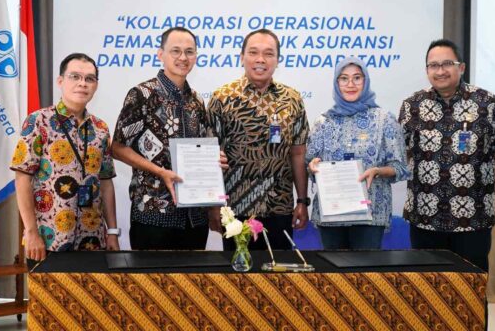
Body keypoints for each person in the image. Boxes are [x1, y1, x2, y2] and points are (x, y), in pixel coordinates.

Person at [112, 26, 226, 250]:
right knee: (152, 284)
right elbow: (117, 147)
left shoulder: (196, 101)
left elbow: (204, 148)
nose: (183, 57)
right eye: (176, 51)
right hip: (153, 214)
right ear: (160, 54)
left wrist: (214, 159)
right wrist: (160, 172)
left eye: (189, 52)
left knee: (191, 285)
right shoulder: (142, 95)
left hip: (194, 218)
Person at [398, 39, 495, 271]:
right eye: (433, 65)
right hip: (424, 217)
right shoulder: (411, 105)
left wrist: (467, 177)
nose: (440, 71)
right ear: (427, 70)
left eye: (447, 63)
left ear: (461, 67)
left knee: (472, 290)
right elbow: (402, 153)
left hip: (473, 218)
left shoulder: (489, 104)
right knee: (429, 290)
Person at [207, 28, 310, 250]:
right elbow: (210, 157)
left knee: (279, 279)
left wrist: (302, 201)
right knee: (237, 279)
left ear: (278, 59)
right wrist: (214, 206)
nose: (260, 59)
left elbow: (298, 153)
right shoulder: (222, 98)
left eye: (268, 53)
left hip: (280, 208)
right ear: (242, 57)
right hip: (235, 211)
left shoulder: (293, 99)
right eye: (253, 52)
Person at [11, 53, 119, 261]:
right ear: (60, 81)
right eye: (75, 77)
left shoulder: (101, 128)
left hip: (93, 239)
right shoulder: (38, 121)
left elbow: (105, 182)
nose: (82, 84)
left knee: (91, 294)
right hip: (49, 239)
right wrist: (31, 232)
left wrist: (112, 231)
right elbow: (22, 178)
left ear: (96, 85)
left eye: (89, 79)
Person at [306, 57, 410, 249]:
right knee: (334, 277)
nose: (350, 84)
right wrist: (312, 166)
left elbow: (401, 167)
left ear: (366, 80)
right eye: (344, 79)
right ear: (337, 83)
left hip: (370, 216)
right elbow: (309, 163)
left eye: (357, 78)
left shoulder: (385, 120)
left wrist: (377, 171)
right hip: (331, 214)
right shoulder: (323, 122)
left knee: (365, 276)